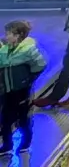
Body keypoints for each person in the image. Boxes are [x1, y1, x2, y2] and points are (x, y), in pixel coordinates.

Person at [0, 20, 45, 155]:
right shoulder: (4, 50)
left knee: (23, 118)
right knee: (5, 119)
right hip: (8, 91)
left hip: (22, 91)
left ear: (18, 35)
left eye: (9, 34)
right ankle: (7, 145)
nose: (6, 36)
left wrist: (29, 79)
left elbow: (40, 64)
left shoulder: (28, 50)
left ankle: (26, 142)